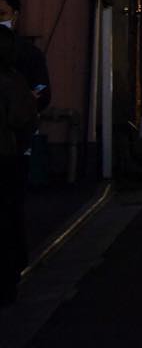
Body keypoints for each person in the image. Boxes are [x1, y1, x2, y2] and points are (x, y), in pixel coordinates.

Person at [0, 23, 39, 306]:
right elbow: (23, 119)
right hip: (6, 158)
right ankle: (8, 280)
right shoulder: (12, 80)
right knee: (8, 218)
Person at [0, 0, 51, 109]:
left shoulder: (30, 53)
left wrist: (26, 96)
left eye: (2, 14)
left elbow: (42, 87)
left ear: (15, 16)